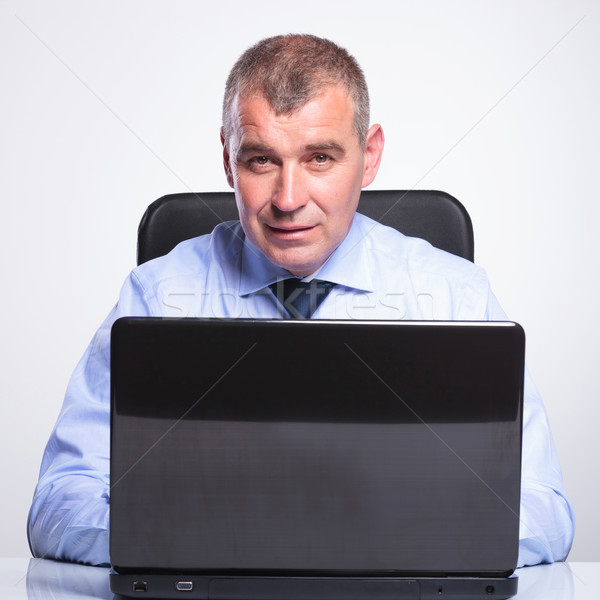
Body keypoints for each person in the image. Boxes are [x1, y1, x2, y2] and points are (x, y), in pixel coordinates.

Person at [28, 34, 574, 568]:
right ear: (228, 160)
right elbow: (58, 504)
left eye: (319, 158)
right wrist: (186, 543)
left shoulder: (456, 297)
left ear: (370, 155)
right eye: (262, 160)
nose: (288, 200)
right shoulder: (154, 296)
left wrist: (387, 542)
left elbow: (544, 512)